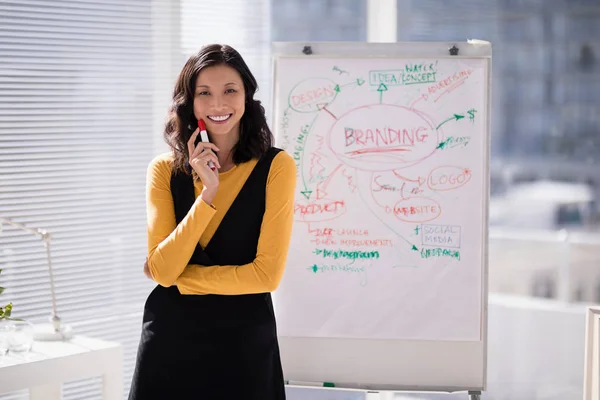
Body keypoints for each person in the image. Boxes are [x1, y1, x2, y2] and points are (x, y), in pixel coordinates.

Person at [128, 44, 296, 400]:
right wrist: (207, 195)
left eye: (230, 91)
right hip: (169, 345)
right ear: (189, 101)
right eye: (204, 93)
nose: (218, 104)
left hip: (244, 347)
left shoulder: (276, 168)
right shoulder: (164, 171)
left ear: (247, 95)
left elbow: (266, 276)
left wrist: (185, 281)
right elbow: (162, 272)